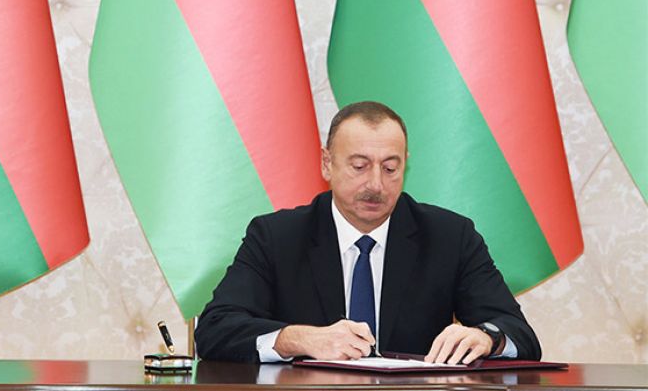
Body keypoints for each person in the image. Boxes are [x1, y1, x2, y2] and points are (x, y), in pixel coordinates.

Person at [195, 101, 541, 363]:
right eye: (359, 166)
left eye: (390, 168)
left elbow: (519, 333)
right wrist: (295, 338)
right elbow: (214, 330)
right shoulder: (277, 236)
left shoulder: (450, 237)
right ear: (327, 164)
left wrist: (486, 338)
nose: (375, 184)